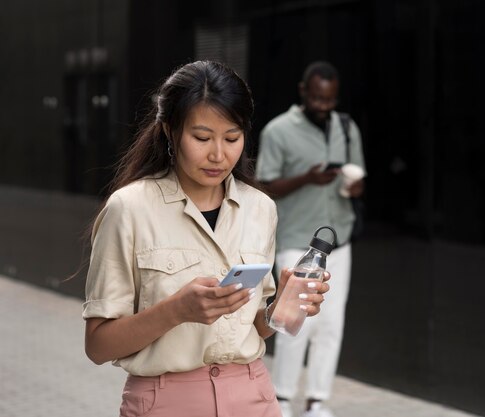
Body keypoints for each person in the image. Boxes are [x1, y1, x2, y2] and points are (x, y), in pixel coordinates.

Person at [82, 60, 330, 417]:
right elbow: (98, 345)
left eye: (232, 138)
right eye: (201, 138)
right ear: (169, 130)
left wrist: (282, 308)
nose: (218, 154)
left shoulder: (261, 208)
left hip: (253, 396)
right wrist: (177, 311)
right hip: (165, 402)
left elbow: (256, 327)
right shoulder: (129, 209)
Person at [255, 61, 366, 417]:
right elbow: (264, 186)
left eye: (329, 100)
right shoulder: (278, 131)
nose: (323, 106)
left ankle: (318, 400)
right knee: (294, 320)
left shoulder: (347, 127)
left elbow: (358, 174)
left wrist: (356, 186)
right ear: (304, 91)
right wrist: (307, 179)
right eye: (317, 98)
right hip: (295, 239)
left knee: (331, 325)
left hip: (340, 238)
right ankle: (283, 398)